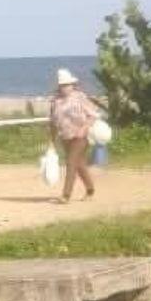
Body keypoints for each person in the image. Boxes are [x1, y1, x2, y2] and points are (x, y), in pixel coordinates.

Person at [49, 68, 101, 203]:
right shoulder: (55, 101)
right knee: (79, 164)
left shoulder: (80, 97)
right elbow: (53, 121)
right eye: (62, 85)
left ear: (72, 85)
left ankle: (66, 195)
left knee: (71, 163)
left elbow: (93, 115)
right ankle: (90, 190)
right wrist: (52, 138)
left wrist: (84, 128)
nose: (64, 88)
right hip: (65, 136)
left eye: (67, 85)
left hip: (80, 136)